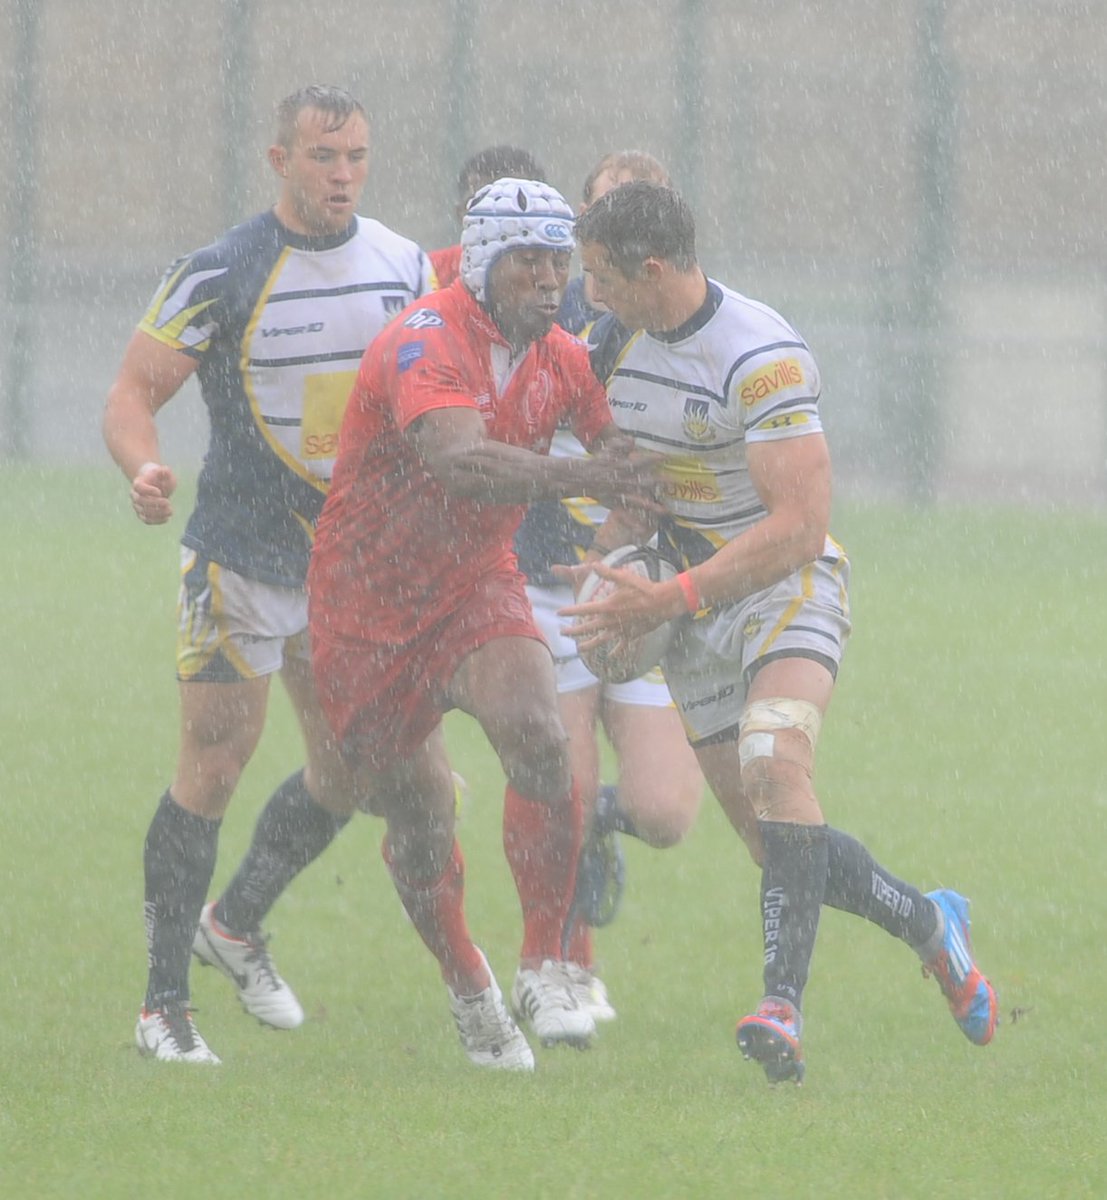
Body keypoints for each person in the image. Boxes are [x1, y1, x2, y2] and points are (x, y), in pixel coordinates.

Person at [561, 181, 998, 1084]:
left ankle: (780, 1008)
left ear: (652, 270)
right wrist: (607, 568)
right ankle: (931, 924)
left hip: (782, 585)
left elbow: (799, 525)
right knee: (777, 849)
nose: (590, 293)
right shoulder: (609, 346)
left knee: (773, 761)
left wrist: (668, 595)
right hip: (688, 607)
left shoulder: (759, 356)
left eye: (602, 276)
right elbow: (633, 484)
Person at [103, 85, 435, 1065]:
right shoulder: (220, 271)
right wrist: (143, 467)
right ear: (279, 159)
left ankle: (237, 921)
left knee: (353, 769)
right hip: (241, 558)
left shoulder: (405, 266)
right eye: (323, 156)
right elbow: (129, 395)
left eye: (357, 156)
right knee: (213, 765)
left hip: (353, 570)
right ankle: (164, 1008)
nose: (343, 174)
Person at [307, 177, 659, 1070]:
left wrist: (639, 518)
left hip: (474, 583)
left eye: (558, 263)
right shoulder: (426, 337)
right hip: (365, 608)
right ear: (482, 262)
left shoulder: (562, 357)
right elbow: (459, 462)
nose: (549, 281)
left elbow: (617, 455)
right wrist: (584, 479)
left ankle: (545, 962)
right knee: (421, 817)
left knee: (539, 736)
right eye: (528, 262)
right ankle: (468, 981)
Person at [515, 150, 703, 1023]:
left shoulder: (684, 326)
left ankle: (596, 836)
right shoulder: (551, 327)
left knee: (664, 813)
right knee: (564, 789)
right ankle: (559, 965)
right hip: (553, 585)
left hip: (643, 591)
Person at [428, 145, 547, 287]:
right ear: (460, 213)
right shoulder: (426, 272)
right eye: (481, 203)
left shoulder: (557, 279)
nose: (497, 220)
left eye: (517, 204)